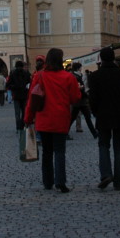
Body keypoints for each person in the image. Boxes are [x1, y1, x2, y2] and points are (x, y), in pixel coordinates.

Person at [24, 48, 81, 193]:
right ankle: (60, 181)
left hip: (43, 119)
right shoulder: (68, 77)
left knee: (47, 152)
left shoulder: (40, 76)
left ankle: (48, 182)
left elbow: (32, 99)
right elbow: (75, 98)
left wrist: (28, 118)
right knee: (60, 151)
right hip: (61, 119)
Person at [88, 47, 120, 191]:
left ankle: (105, 174)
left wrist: (96, 112)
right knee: (118, 148)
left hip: (103, 116)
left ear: (101, 59)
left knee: (103, 145)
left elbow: (93, 100)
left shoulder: (95, 76)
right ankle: (119, 181)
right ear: (113, 58)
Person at [69, 62, 97, 138]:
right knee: (77, 117)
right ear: (78, 68)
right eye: (81, 67)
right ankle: (94, 133)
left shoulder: (78, 75)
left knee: (85, 117)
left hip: (80, 100)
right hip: (79, 100)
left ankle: (94, 133)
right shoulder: (75, 76)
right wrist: (85, 93)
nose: (81, 68)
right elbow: (78, 88)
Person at [8, 60, 32, 131]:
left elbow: (8, 85)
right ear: (22, 66)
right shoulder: (26, 74)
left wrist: (14, 87)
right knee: (24, 112)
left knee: (17, 113)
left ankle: (18, 127)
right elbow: (29, 83)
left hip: (16, 96)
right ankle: (22, 125)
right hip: (24, 95)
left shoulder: (12, 74)